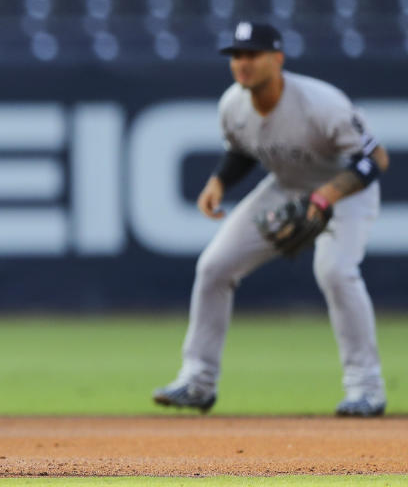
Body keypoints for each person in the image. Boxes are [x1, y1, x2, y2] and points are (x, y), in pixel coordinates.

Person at [152, 21, 389, 417]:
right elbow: (243, 150)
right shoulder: (233, 104)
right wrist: (218, 182)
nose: (243, 63)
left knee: (335, 271)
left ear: (277, 59)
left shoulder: (321, 103)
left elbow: (375, 159)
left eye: (253, 55)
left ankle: (367, 389)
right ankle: (197, 381)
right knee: (214, 267)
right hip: (287, 186)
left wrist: (328, 194)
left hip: (345, 191)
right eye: (237, 56)